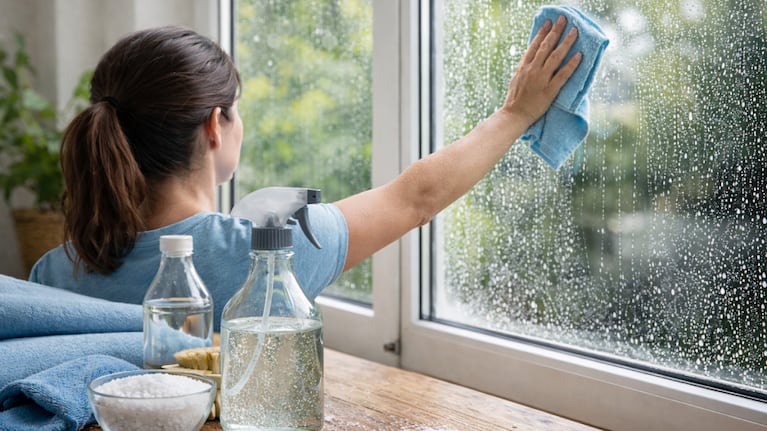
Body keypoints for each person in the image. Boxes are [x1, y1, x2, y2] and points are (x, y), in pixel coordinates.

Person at [30, 18, 581, 329]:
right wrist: (516, 113)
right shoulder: (260, 259)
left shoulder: (52, 274)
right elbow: (417, 198)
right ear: (213, 128)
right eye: (235, 107)